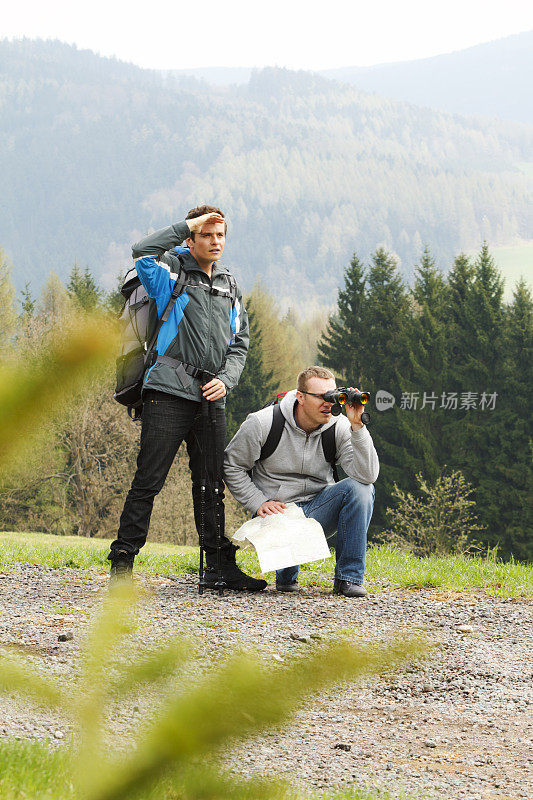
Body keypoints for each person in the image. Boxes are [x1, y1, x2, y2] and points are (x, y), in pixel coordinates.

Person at [109, 205, 267, 591]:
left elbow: (240, 343)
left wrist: (227, 380)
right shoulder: (169, 274)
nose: (215, 242)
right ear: (190, 238)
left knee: (211, 482)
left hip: (212, 397)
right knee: (149, 479)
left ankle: (217, 568)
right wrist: (184, 225)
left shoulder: (230, 284)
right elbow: (141, 250)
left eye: (220, 235)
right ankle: (122, 564)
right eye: (206, 234)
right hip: (167, 391)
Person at [223, 366, 379, 596]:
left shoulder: (339, 427)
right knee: (286, 585)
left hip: (317, 510)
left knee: (360, 489)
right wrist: (257, 502)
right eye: (321, 398)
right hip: (277, 514)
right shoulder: (263, 423)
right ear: (300, 397)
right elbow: (232, 465)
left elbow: (367, 476)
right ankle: (286, 573)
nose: (329, 404)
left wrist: (358, 426)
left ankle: (349, 579)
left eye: (333, 396)